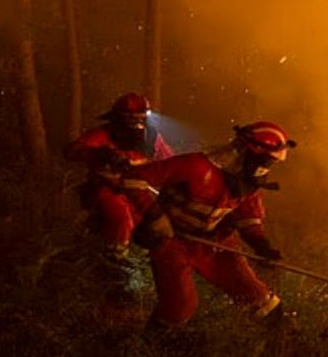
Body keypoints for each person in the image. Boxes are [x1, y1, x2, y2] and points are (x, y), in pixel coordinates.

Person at [124, 120, 294, 330]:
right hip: (173, 241)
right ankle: (151, 347)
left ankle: (286, 343)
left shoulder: (245, 182)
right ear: (248, 152)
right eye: (267, 161)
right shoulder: (195, 166)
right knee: (180, 307)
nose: (267, 168)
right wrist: (156, 217)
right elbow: (134, 179)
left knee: (261, 300)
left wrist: (262, 246)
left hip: (215, 244)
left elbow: (248, 219)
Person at [66, 92, 174, 261]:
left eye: (141, 118)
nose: (137, 124)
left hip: (141, 191)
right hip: (108, 189)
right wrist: (101, 153)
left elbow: (169, 160)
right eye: (132, 118)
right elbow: (73, 151)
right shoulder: (104, 134)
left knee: (161, 219)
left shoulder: (152, 137)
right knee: (120, 216)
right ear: (119, 118)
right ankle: (114, 261)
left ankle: (153, 260)